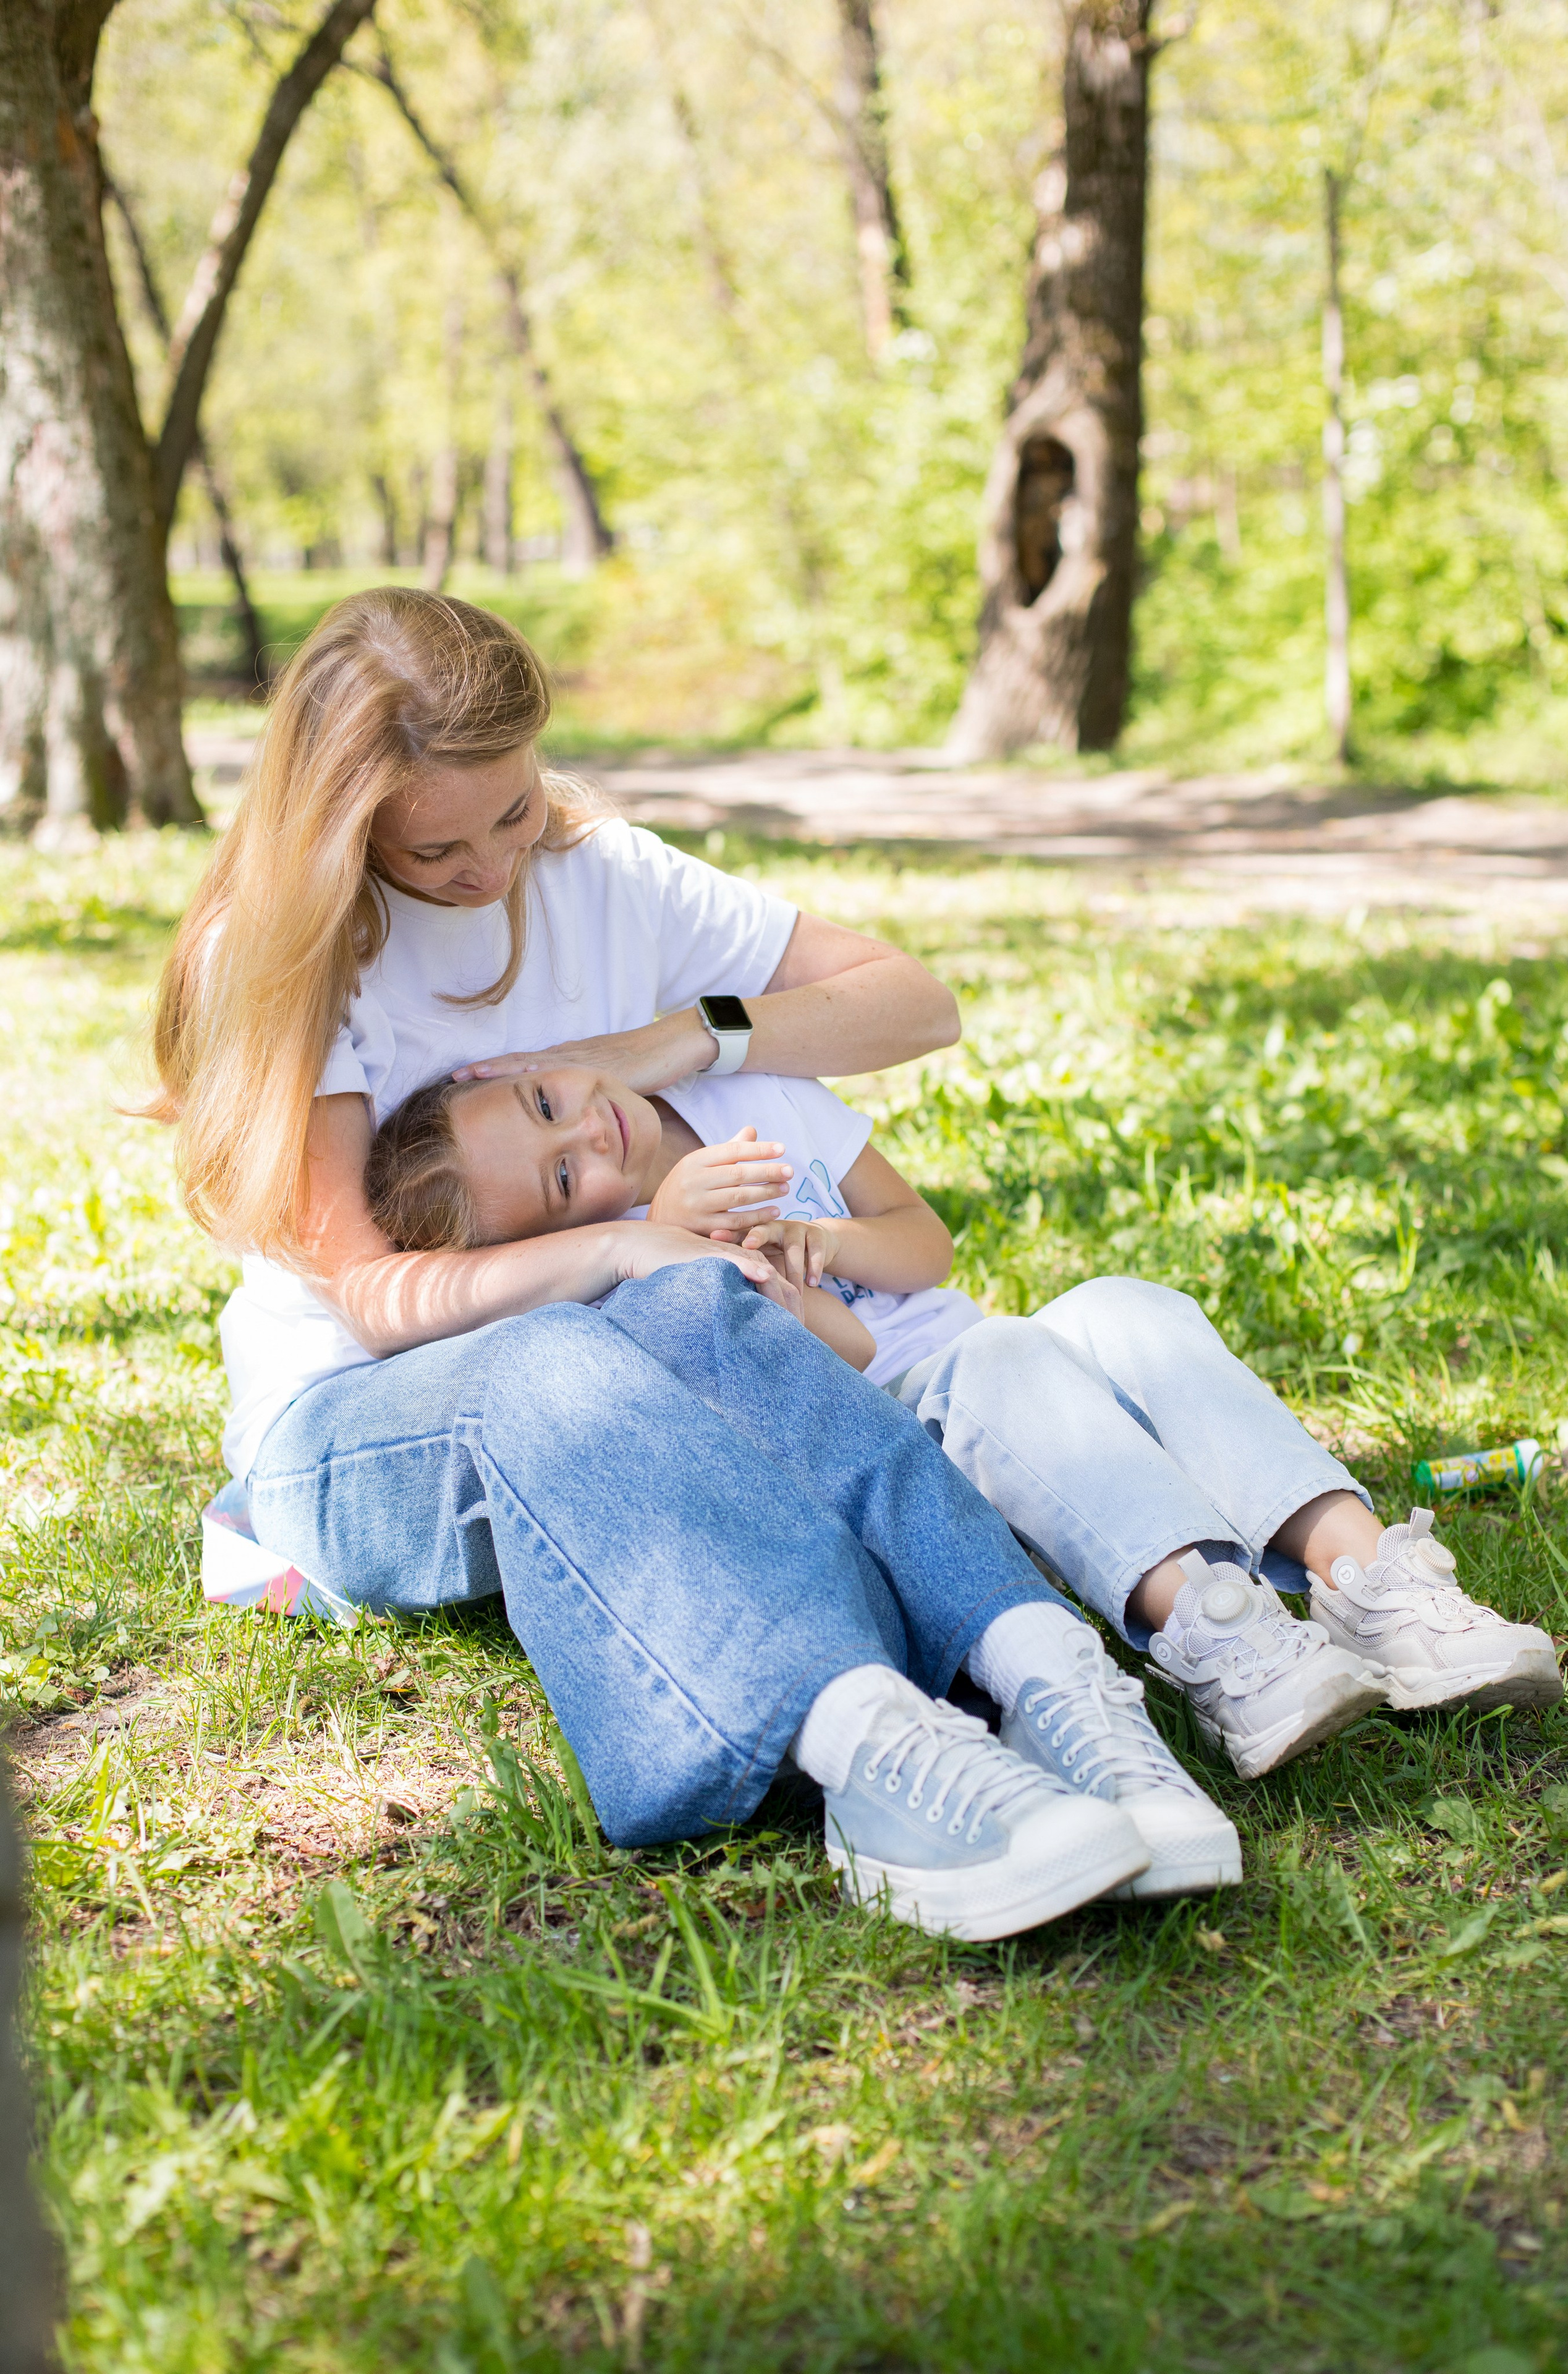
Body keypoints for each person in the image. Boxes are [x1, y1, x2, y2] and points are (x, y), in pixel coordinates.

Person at [147, 586, 1240, 1942]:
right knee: (564, 1352)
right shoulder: (281, 958)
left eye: (510, 813)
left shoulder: (599, 875)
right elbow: (372, 1299)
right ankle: (875, 1756)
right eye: (434, 849)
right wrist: (618, 1242)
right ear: (337, 824)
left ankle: (1049, 1679)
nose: (490, 869)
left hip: (641, 1360)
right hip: (366, 1420)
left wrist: (683, 1042)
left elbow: (916, 1001)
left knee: (676, 1306)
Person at [365, 1053, 1566, 1777]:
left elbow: (923, 1244)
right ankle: (1219, 1636)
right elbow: (849, 1357)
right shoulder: (649, 1273)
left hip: (1008, 1367)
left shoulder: (749, 1095)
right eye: (565, 1179)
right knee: (1000, 1357)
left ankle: (1375, 1593)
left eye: (544, 1101)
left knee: (1123, 1304)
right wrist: (702, 1250)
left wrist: (823, 1240)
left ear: (510, 1065)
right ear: (564, 1235)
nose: (586, 1132)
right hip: (926, 1456)